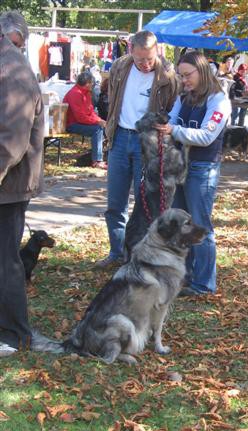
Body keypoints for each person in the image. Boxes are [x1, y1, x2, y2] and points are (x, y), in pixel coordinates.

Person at [95, 30, 178, 269]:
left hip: (148, 142)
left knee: (147, 203)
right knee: (115, 202)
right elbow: (112, 99)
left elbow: (174, 107)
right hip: (120, 138)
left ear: (157, 52)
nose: (145, 64)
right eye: (140, 59)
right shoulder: (120, 67)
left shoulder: (167, 75)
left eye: (150, 58)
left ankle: (141, 257)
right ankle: (117, 253)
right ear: (131, 51)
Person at [155, 51, 231, 296]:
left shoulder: (219, 100)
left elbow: (207, 136)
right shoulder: (184, 97)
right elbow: (172, 121)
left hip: (202, 169)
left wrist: (172, 130)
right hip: (180, 167)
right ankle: (185, 276)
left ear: (202, 71)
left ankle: (205, 283)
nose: (184, 80)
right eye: (181, 75)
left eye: (187, 75)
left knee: (200, 226)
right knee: (181, 224)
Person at [0, 12, 43, 356]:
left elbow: (12, 141)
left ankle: (15, 334)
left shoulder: (11, 69)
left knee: (6, 260)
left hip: (8, 183)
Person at [63, 71, 107, 169]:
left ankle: (100, 156)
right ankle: (97, 160)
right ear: (87, 83)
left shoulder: (85, 93)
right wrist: (97, 121)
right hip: (72, 124)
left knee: (101, 127)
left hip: (80, 122)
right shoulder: (75, 94)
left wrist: (100, 120)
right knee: (97, 129)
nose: (93, 85)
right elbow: (80, 117)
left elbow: (90, 112)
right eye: (92, 83)